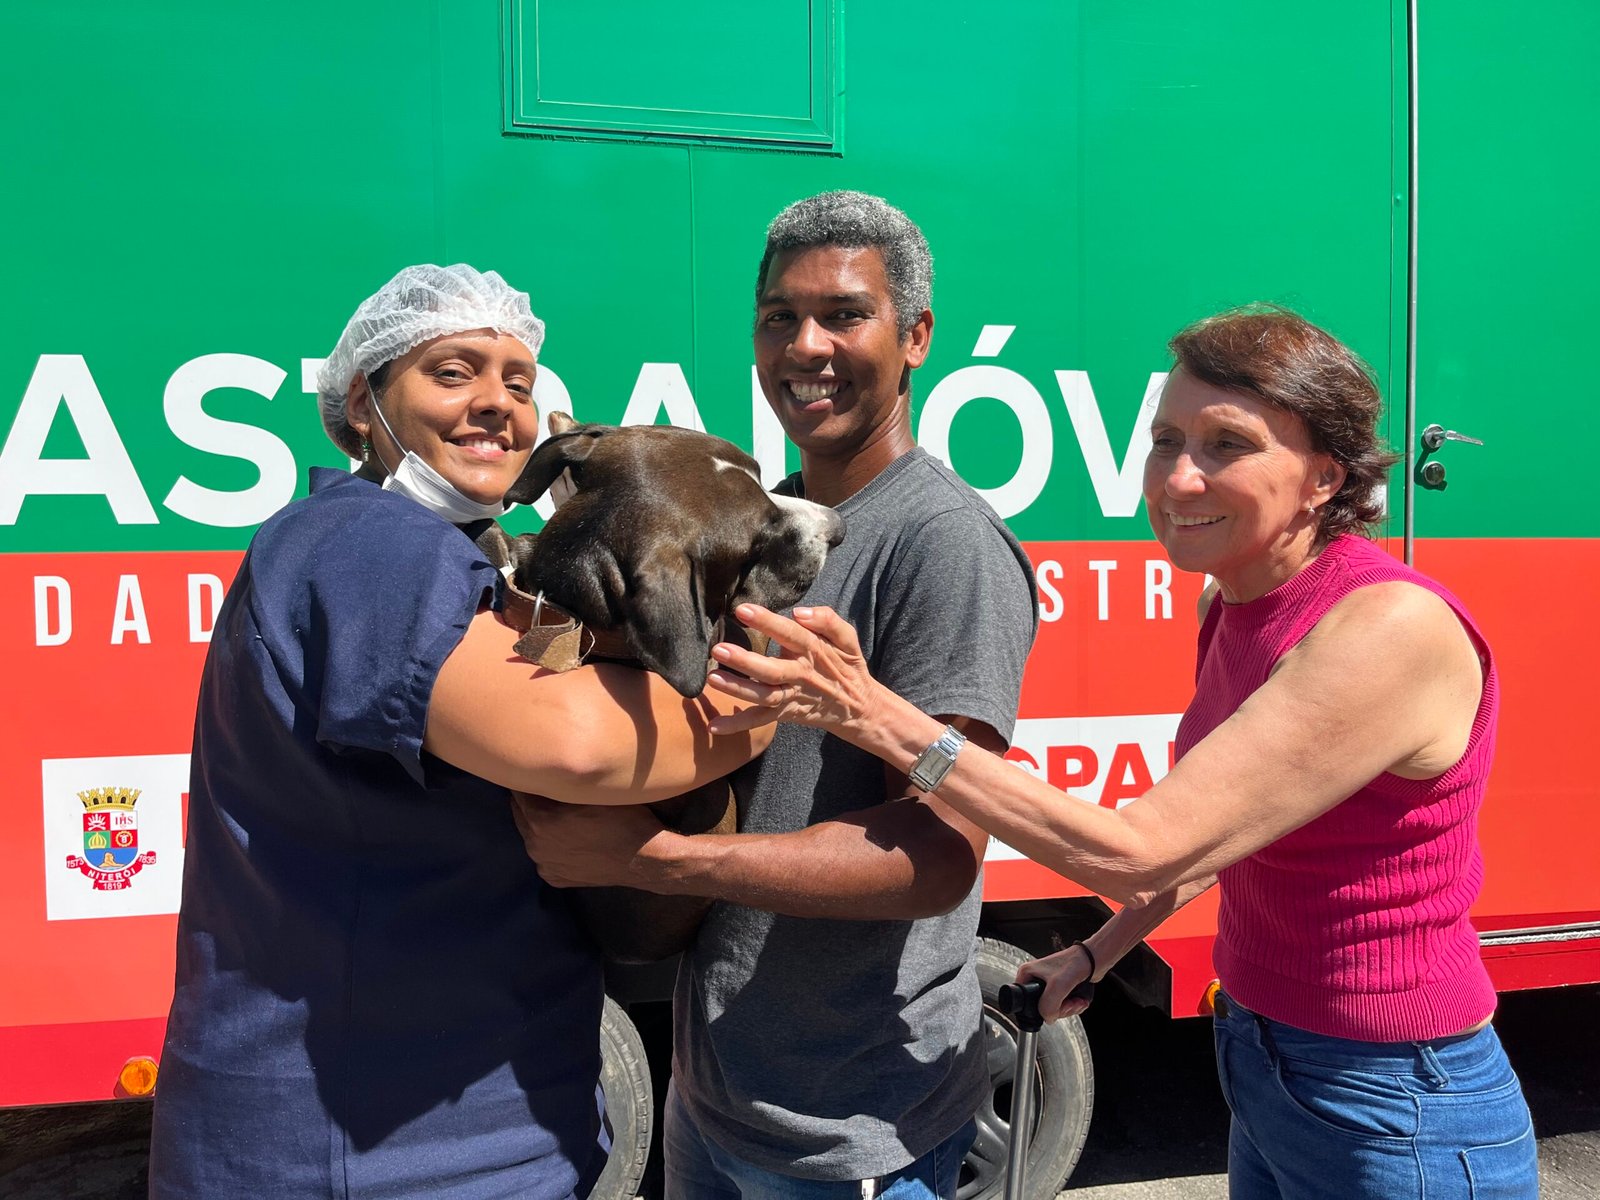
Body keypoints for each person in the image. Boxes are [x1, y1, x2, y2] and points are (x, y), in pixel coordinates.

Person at [706, 306, 1539, 1200]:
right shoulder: (1231, 606)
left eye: (1228, 444)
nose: (1179, 477)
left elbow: (1137, 845)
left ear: (1323, 478)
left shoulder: (1386, 627)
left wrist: (873, 713)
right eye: (1165, 439)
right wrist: (1099, 952)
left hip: (1398, 1102)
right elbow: (1222, 832)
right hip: (1265, 1061)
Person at [148, 264, 769, 1199]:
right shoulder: (367, 540)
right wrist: (767, 706)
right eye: (453, 372)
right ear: (364, 402)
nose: (497, 406)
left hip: (463, 1127)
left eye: (519, 384)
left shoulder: (451, 556)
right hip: (367, 1150)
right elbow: (576, 745)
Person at [516, 191, 1039, 1198]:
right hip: (716, 1100)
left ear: (916, 336)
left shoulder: (943, 544)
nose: (805, 346)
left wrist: (654, 859)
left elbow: (936, 856)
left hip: (849, 1134)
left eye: (843, 315)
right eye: (777, 317)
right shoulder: (749, 519)